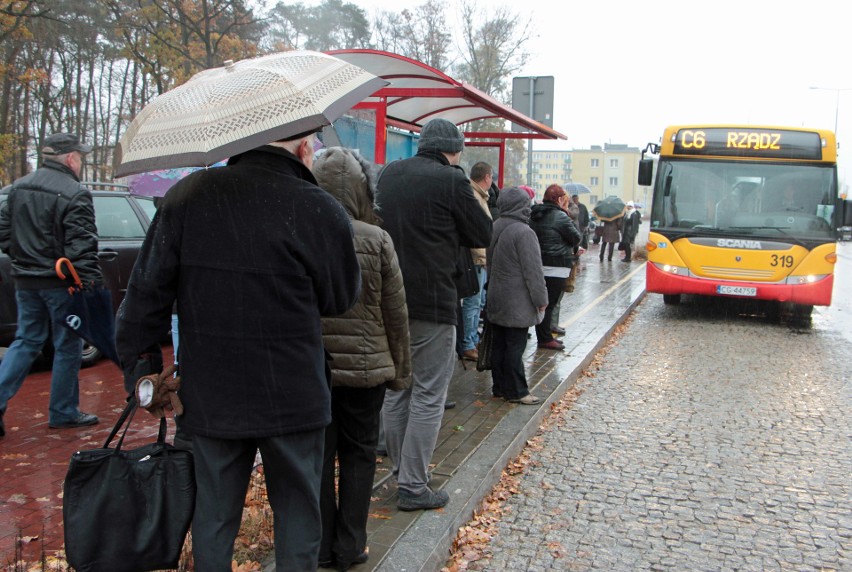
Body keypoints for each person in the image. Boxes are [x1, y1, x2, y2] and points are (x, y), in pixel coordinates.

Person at [115, 129, 361, 570]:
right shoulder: (317, 206)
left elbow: (143, 296)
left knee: (213, 515)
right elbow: (341, 298)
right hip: (294, 393)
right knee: (299, 515)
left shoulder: (187, 196)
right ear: (304, 148)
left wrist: (144, 371)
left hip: (212, 391)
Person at [376, 118, 492, 512]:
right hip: (433, 302)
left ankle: (399, 472)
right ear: (454, 150)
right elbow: (482, 233)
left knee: (397, 390)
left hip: (389, 299)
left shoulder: (391, 174)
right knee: (427, 393)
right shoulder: (451, 180)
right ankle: (413, 484)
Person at [312, 147, 412, 572]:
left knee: (317, 459)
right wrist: (402, 369)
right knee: (358, 458)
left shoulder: (302, 232)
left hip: (315, 370)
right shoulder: (376, 239)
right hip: (368, 372)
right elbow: (396, 312)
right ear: (361, 190)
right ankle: (351, 546)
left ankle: (318, 546)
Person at [0, 133, 101, 435]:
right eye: (81, 157)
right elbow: (82, 246)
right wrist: (89, 285)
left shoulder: (18, 187)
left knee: (27, 340)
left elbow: (3, 230)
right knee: (68, 344)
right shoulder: (74, 192)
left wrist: (22, 256)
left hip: (26, 279)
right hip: (59, 282)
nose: (81, 162)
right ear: (70, 158)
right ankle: (63, 412)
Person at [486, 187, 548, 405]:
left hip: (496, 295)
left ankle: (499, 387)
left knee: (499, 344)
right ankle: (518, 391)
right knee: (515, 345)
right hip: (517, 300)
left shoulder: (495, 226)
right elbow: (534, 272)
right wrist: (541, 301)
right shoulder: (524, 232)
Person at [529, 184, 581, 350]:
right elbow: (576, 237)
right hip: (556, 265)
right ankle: (544, 338)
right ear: (559, 199)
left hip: (538, 263)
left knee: (542, 303)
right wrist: (565, 211)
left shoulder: (536, 213)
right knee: (549, 304)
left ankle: (543, 336)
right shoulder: (560, 216)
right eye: (564, 199)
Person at [459, 161, 494, 362]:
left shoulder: (480, 196)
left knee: (477, 302)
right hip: (476, 258)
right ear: (487, 177)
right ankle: (468, 343)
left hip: (480, 258)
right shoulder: (475, 196)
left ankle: (471, 339)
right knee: (473, 303)